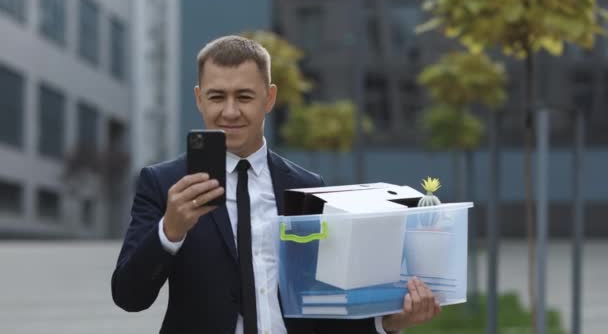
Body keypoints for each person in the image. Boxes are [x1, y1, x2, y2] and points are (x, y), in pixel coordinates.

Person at [111, 35, 441, 334]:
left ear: (269, 99)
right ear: (199, 99)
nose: (229, 111)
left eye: (244, 96)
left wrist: (389, 323)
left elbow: (321, 307)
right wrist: (170, 231)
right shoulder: (163, 184)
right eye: (216, 97)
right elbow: (129, 296)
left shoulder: (305, 187)